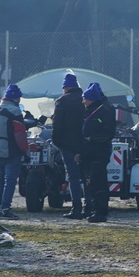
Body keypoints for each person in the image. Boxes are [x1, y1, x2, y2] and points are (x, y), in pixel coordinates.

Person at [78, 81, 116, 223]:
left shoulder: (104, 111)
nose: (83, 101)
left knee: (96, 181)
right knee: (92, 181)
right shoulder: (91, 111)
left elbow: (109, 133)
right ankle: (96, 209)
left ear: (92, 99)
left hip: (99, 152)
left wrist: (92, 138)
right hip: (89, 151)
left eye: (85, 99)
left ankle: (100, 212)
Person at [0, 84, 28, 218]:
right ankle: (6, 208)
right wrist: (24, 150)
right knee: (10, 180)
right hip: (12, 150)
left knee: (0, 179)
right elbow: (19, 133)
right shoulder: (15, 111)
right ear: (15, 97)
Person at [52, 72, 87, 219]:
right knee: (86, 176)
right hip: (86, 144)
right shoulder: (86, 99)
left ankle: (76, 207)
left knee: (72, 176)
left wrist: (58, 142)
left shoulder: (62, 101)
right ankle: (90, 206)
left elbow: (57, 125)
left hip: (67, 145)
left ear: (65, 88)